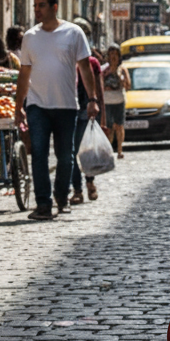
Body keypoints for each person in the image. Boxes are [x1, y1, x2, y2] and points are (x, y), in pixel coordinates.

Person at [14, 0, 99, 220]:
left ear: (55, 6)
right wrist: (18, 106)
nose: (37, 10)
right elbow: (24, 72)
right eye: (35, 6)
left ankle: (62, 196)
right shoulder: (30, 36)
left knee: (66, 156)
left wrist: (92, 100)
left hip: (66, 105)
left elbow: (85, 68)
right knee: (39, 154)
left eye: (41, 5)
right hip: (37, 105)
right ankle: (43, 203)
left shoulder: (73, 33)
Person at [69, 18, 105, 205]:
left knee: (85, 151)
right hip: (68, 108)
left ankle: (89, 183)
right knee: (73, 152)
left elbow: (99, 92)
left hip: (86, 111)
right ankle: (78, 189)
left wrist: (103, 117)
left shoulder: (92, 62)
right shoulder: (65, 59)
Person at [101, 44, 131, 158]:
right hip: (107, 101)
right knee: (108, 127)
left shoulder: (122, 69)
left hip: (119, 100)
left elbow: (128, 86)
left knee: (119, 125)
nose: (113, 57)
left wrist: (121, 80)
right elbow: (99, 85)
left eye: (115, 55)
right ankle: (109, 150)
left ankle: (119, 150)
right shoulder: (104, 70)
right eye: (111, 54)